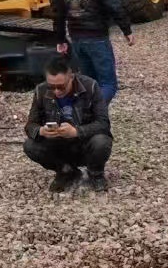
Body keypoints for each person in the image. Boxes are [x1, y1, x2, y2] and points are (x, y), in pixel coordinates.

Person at [48, 0, 134, 102]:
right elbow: (113, 5)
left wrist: (60, 39)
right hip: (97, 37)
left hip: (77, 38)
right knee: (108, 84)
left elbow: (57, 12)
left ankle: (87, 117)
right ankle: (92, 113)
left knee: (88, 83)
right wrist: (127, 30)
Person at [23, 55, 112, 191]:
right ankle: (66, 171)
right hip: (57, 145)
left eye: (61, 87)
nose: (56, 91)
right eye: (51, 86)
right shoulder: (40, 90)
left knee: (102, 141)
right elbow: (30, 125)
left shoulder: (90, 86)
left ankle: (96, 173)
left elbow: (103, 123)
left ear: (71, 77)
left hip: (84, 143)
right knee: (30, 145)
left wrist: (76, 132)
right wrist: (41, 131)